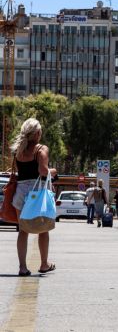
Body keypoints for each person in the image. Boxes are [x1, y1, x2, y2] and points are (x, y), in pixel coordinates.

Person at [11, 118, 57, 276]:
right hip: (37, 193)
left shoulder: (18, 150)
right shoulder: (41, 149)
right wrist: (54, 171)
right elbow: (43, 172)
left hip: (20, 192)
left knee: (23, 230)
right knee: (43, 229)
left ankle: (22, 267)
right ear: (37, 133)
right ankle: (44, 264)